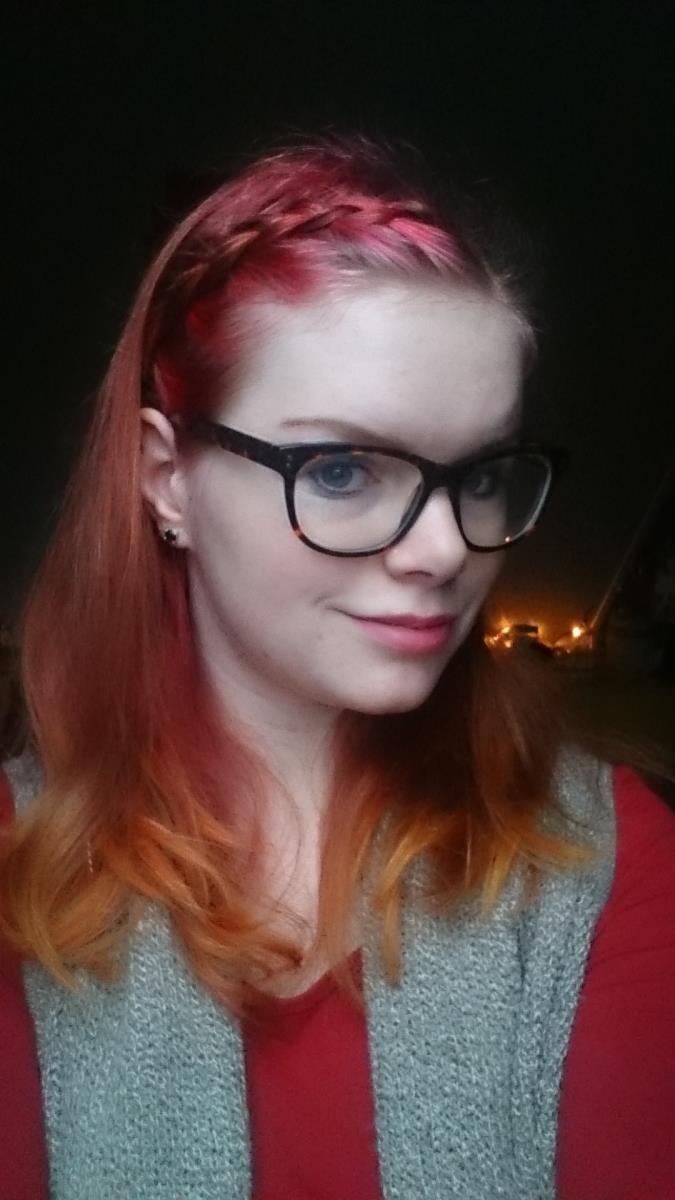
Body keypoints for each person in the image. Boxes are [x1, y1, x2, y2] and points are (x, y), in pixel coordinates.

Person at [1, 137, 674, 1200]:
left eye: (481, 476)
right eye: (345, 470)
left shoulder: (605, 860)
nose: (444, 550)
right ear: (167, 478)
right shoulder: (20, 868)